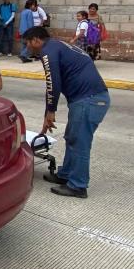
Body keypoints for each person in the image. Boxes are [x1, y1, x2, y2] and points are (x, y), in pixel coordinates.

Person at [22, 26, 110, 199]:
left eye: (27, 44)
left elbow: (53, 83)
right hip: (87, 99)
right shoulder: (57, 46)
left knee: (80, 142)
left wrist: (50, 112)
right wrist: (49, 111)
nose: (27, 48)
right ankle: (66, 174)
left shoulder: (47, 51)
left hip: (89, 100)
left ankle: (78, 185)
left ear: (36, 40)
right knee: (72, 137)